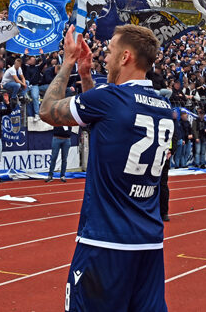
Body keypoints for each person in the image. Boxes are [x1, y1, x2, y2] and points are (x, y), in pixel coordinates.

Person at [38, 25, 173, 311]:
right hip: (148, 243)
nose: (105, 58)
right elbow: (103, 121)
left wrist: (68, 62)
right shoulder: (163, 107)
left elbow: (47, 110)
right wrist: (87, 77)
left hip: (105, 243)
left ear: (125, 57)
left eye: (110, 52)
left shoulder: (110, 99)